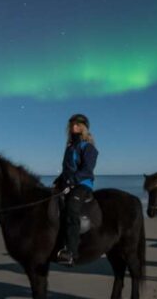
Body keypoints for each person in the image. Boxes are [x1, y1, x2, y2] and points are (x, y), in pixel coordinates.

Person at [54, 114, 99, 266]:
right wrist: (59, 181)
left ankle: (72, 252)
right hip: (67, 183)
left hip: (83, 184)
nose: (74, 126)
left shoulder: (89, 147)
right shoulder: (69, 147)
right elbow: (66, 169)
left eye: (78, 124)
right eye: (72, 124)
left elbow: (87, 170)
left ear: (84, 127)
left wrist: (71, 181)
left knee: (72, 208)